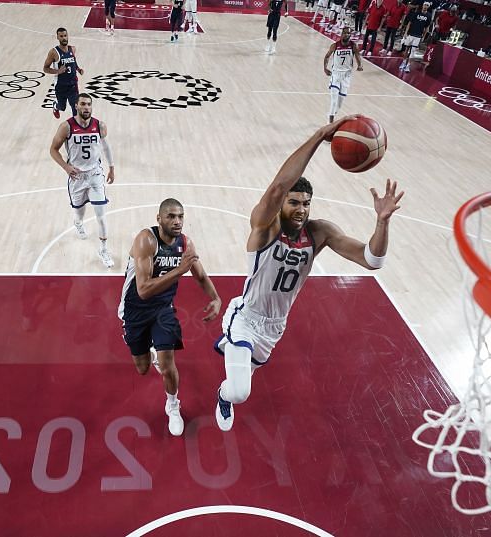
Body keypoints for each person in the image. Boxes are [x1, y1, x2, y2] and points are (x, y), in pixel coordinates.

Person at [212, 118, 404, 432]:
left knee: (245, 379)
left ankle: (232, 368)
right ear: (282, 204)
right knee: (239, 392)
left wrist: (382, 222)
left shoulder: (319, 233)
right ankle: (223, 393)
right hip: (247, 318)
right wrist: (318, 137)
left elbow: (372, 261)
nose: (301, 209)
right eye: (293, 202)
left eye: (306, 203)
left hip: (274, 327)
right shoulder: (266, 229)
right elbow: (275, 189)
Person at [119, 198, 222, 436]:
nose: (177, 221)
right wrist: (179, 270)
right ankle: (153, 355)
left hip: (163, 309)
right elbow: (143, 290)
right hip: (135, 309)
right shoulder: (146, 240)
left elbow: (200, 275)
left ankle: (173, 406)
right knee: (142, 368)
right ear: (159, 218)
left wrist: (216, 298)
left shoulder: (185, 244)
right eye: (171, 216)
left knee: (168, 365)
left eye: (180, 216)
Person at [49, 93, 116, 267]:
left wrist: (112, 167)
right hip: (76, 177)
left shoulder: (99, 125)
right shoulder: (66, 127)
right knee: (79, 212)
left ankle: (103, 249)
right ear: (76, 106)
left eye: (89, 105)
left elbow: (106, 146)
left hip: (95, 175)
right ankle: (77, 223)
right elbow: (53, 150)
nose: (86, 107)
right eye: (83, 104)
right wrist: (65, 166)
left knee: (101, 215)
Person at [43, 27, 84, 120]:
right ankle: (55, 106)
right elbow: (45, 68)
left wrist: (78, 69)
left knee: (75, 108)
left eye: (65, 35)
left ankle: (75, 129)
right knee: (62, 107)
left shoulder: (72, 49)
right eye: (61, 36)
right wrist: (58, 71)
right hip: (61, 86)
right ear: (57, 37)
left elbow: (73, 62)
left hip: (73, 85)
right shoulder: (53, 52)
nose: (64, 38)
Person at [325, 26, 364, 123]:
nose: (347, 35)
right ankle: (330, 122)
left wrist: (360, 65)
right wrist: (325, 68)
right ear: (342, 34)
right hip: (336, 74)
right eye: (345, 33)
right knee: (334, 100)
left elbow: (358, 56)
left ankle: (332, 113)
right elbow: (326, 57)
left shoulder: (353, 46)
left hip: (347, 75)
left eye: (349, 33)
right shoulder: (335, 45)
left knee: (339, 104)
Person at [399, 2, 432, 73]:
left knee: (413, 51)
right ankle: (404, 62)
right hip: (411, 34)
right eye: (424, 5)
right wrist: (405, 33)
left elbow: (427, 27)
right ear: (422, 5)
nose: (425, 6)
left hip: (418, 36)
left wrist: (423, 36)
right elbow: (409, 23)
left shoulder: (429, 16)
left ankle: (408, 66)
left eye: (427, 5)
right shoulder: (416, 13)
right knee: (407, 49)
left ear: (428, 7)